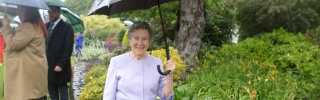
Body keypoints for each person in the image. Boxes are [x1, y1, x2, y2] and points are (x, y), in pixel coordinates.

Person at [103, 22, 175, 100]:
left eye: (144, 39)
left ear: (149, 42)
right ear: (130, 40)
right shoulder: (116, 62)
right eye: (136, 38)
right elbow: (108, 97)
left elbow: (166, 96)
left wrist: (169, 75)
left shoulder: (157, 63)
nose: (140, 43)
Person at [0, 5, 48, 100]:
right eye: (18, 10)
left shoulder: (28, 27)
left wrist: (6, 26)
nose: (18, 13)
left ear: (30, 11)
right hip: (32, 78)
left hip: (27, 81)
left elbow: (12, 45)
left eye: (21, 10)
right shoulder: (35, 26)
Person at [46, 5, 74, 100]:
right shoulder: (46, 26)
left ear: (59, 12)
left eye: (53, 12)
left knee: (63, 95)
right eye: (49, 12)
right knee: (52, 94)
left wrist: (61, 64)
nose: (50, 14)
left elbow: (68, 48)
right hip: (47, 66)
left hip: (60, 67)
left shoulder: (67, 28)